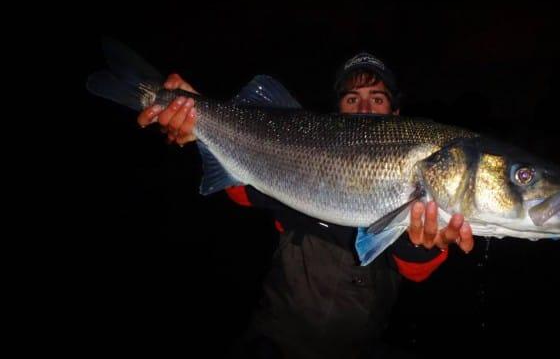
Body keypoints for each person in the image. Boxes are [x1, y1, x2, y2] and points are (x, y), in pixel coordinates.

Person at [137, 52, 474, 358]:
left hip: (356, 346)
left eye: (378, 98)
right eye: (352, 98)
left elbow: (415, 269)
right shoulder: (305, 151)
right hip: (276, 339)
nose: (365, 108)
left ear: (396, 113)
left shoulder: (421, 175)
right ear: (337, 110)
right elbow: (241, 191)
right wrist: (192, 115)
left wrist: (426, 244)